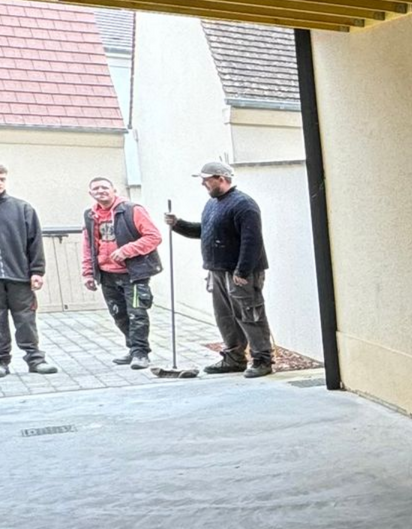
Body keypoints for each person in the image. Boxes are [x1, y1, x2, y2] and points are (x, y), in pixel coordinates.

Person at [165, 160, 272, 378]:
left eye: (206, 180)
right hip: (218, 270)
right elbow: (206, 231)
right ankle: (234, 358)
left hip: (239, 272)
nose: (203, 184)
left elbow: (252, 241)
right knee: (225, 316)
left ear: (221, 179)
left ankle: (262, 360)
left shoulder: (244, 204)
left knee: (249, 314)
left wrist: (242, 271)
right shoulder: (213, 204)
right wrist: (178, 224)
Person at [80, 175, 164, 370]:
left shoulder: (132, 210)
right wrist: (88, 272)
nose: (100, 191)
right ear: (91, 193)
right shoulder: (90, 215)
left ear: (114, 190)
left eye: (104, 187)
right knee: (119, 314)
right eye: (96, 189)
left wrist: (126, 250)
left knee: (137, 313)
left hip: (134, 274)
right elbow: (88, 246)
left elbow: (153, 236)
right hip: (107, 275)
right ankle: (133, 347)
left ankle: (141, 353)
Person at [0, 162, 56, 377]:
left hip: (20, 276)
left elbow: (35, 242)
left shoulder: (22, 208)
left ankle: (35, 360)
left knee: (26, 319)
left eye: (2, 179)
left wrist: (37, 271)